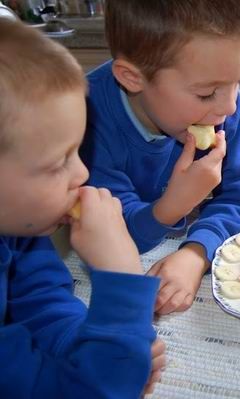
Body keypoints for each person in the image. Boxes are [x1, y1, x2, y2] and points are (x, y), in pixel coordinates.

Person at [0, 19, 165, 397]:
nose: (84, 172)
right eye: (59, 161)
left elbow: (39, 299)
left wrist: (103, 346)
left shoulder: (16, 229)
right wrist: (122, 276)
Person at [81, 0, 240, 315]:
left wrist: (196, 253)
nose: (230, 107)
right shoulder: (87, 118)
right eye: (206, 93)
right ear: (132, 77)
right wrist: (171, 208)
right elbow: (107, 238)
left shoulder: (220, 102)